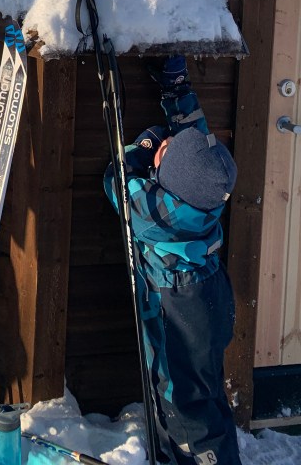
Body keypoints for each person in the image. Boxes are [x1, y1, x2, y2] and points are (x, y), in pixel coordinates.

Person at [104, 55, 243, 465]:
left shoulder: (158, 215)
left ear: (168, 184)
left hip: (177, 311)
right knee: (208, 389)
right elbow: (194, 143)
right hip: (210, 298)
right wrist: (176, 90)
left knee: (184, 405)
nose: (165, 142)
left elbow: (116, 180)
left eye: (164, 152)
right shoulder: (201, 194)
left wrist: (139, 150)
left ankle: (197, 457)